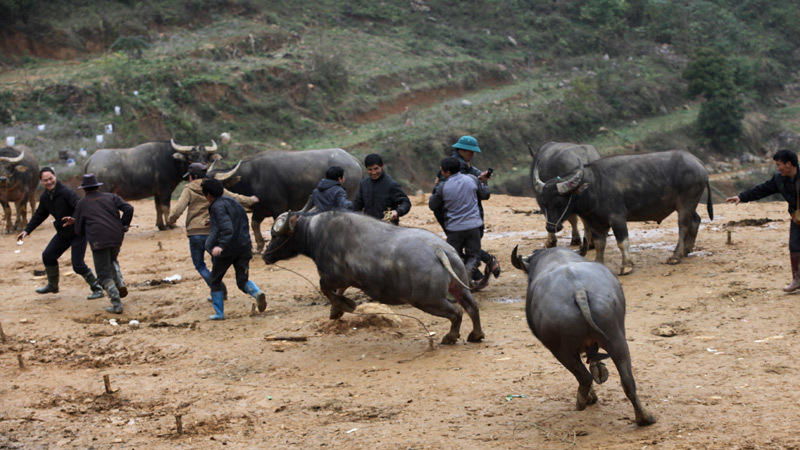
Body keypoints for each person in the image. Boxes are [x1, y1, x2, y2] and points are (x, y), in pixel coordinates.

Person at [166, 162, 259, 302]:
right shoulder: (215, 187)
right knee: (216, 263)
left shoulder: (189, 189)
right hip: (214, 232)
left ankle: (218, 289)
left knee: (200, 265)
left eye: (190, 177)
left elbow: (178, 209)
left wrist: (170, 220)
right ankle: (221, 289)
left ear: (194, 176)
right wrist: (250, 200)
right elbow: (234, 197)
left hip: (196, 233)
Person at [16, 168, 104, 300]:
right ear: (41, 182)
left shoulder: (66, 192)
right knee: (48, 256)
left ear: (55, 176)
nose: (49, 182)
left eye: (51, 178)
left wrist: (74, 219)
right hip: (63, 233)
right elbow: (39, 215)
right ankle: (53, 285)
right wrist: (26, 230)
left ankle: (97, 288)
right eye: (45, 180)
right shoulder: (45, 197)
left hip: (77, 232)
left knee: (78, 265)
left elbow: (80, 207)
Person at [727, 149, 800, 292]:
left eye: (779, 165)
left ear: (789, 164)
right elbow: (762, 189)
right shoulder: (779, 180)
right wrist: (742, 197)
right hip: (797, 217)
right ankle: (797, 280)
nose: (778, 168)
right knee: (795, 246)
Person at [433, 135, 500, 288]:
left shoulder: (457, 164)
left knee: (457, 249)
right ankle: (474, 273)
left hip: (451, 217)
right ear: (462, 150)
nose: (473, 155)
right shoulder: (458, 166)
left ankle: (470, 277)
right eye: (471, 152)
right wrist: (481, 181)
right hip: (461, 215)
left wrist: (479, 177)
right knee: (470, 250)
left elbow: (433, 202)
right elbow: (483, 193)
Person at [67, 173, 134, 314]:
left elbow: (78, 230)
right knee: (112, 260)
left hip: (98, 241)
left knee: (103, 275)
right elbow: (128, 208)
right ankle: (119, 283)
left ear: (84, 189)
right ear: (98, 186)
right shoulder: (111, 197)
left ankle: (116, 303)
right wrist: (124, 224)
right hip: (116, 236)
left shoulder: (82, 204)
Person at [202, 178, 267, 320]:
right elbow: (236, 222)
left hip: (227, 250)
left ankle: (219, 313)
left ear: (208, 195)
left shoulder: (216, 206)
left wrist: (220, 245)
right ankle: (257, 293)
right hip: (244, 247)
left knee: (215, 280)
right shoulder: (234, 203)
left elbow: (227, 228)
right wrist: (213, 222)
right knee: (242, 281)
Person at [429, 156, 490, 287]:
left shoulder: (442, 187)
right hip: (474, 226)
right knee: (473, 255)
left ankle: (457, 281)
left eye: (442, 171)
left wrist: (436, 186)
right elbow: (485, 195)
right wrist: (484, 183)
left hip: (454, 228)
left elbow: (432, 205)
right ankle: (468, 273)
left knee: (453, 257)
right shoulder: (472, 179)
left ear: (447, 172)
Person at [351, 154, 411, 225]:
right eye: (370, 169)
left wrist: (397, 212)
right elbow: (357, 205)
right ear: (366, 169)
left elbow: (405, 203)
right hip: (369, 226)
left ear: (382, 166)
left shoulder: (392, 184)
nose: (373, 172)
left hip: (388, 227)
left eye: (376, 168)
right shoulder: (364, 184)